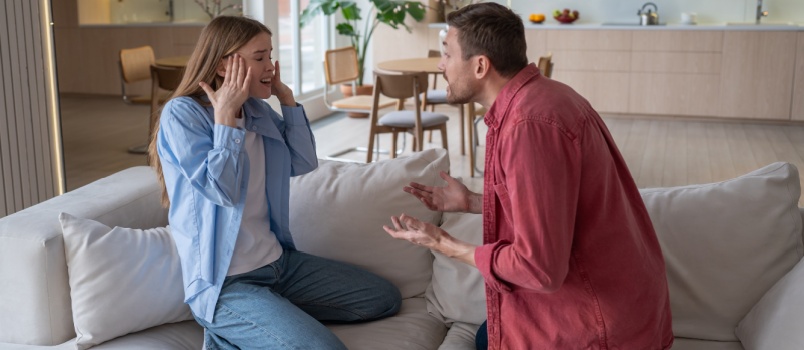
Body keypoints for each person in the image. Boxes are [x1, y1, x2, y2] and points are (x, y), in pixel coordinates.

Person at [382, 3, 673, 349]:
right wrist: (473, 201)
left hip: (597, 327)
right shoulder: (546, 97)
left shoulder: (529, 127)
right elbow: (552, 205)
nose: (441, 65)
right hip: (613, 309)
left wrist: (441, 243)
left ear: (480, 65)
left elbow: (539, 270)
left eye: (447, 53)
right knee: (484, 335)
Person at [148, 16, 401, 349]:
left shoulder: (256, 111)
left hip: (280, 265)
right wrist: (225, 121)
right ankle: (235, 324)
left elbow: (303, 161)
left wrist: (288, 101)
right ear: (225, 66)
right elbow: (220, 191)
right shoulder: (182, 114)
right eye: (260, 57)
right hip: (225, 285)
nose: (271, 66)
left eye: (270, 55)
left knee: (384, 298)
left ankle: (268, 317)